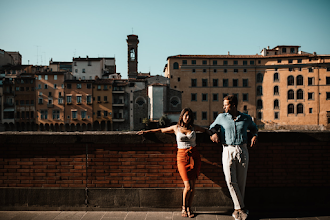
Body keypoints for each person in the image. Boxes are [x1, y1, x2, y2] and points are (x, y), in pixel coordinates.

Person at [137, 108, 212, 218]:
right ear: (182, 116)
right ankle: (183, 207)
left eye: (190, 116)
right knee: (187, 186)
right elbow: (161, 130)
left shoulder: (193, 128)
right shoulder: (176, 128)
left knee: (193, 186)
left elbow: (205, 130)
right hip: (182, 158)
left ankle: (189, 208)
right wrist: (147, 132)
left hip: (194, 157)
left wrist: (213, 134)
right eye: (186, 115)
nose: (188, 118)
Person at [209, 95, 258, 220]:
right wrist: (214, 134)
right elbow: (211, 127)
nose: (223, 107)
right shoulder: (221, 117)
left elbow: (254, 128)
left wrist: (254, 135)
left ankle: (238, 211)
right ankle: (240, 207)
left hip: (243, 150)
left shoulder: (246, 118)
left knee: (241, 182)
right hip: (228, 149)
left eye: (226, 105)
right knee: (230, 180)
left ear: (234, 105)